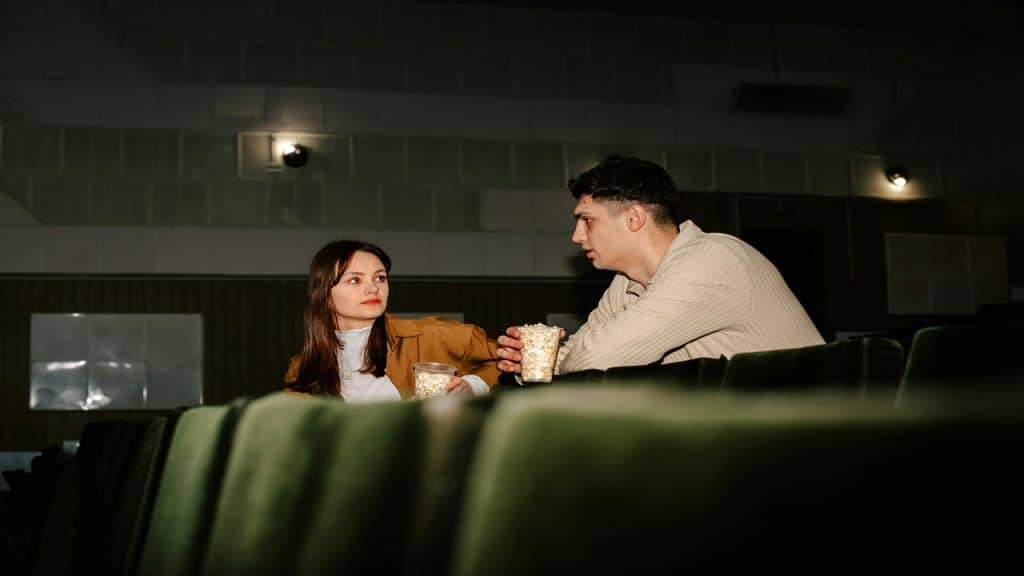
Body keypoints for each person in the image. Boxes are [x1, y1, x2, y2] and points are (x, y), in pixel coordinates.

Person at [496, 155, 824, 376]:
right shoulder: (626, 282)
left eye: (587, 221)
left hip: (819, 437)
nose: (576, 236)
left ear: (635, 218)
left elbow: (599, 359)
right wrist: (535, 361)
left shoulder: (713, 260)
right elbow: (586, 347)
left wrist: (551, 363)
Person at [284, 240, 500, 401]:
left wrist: (472, 387)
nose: (373, 287)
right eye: (355, 280)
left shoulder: (430, 335)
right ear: (324, 294)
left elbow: (507, 363)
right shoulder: (302, 369)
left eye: (380, 278)